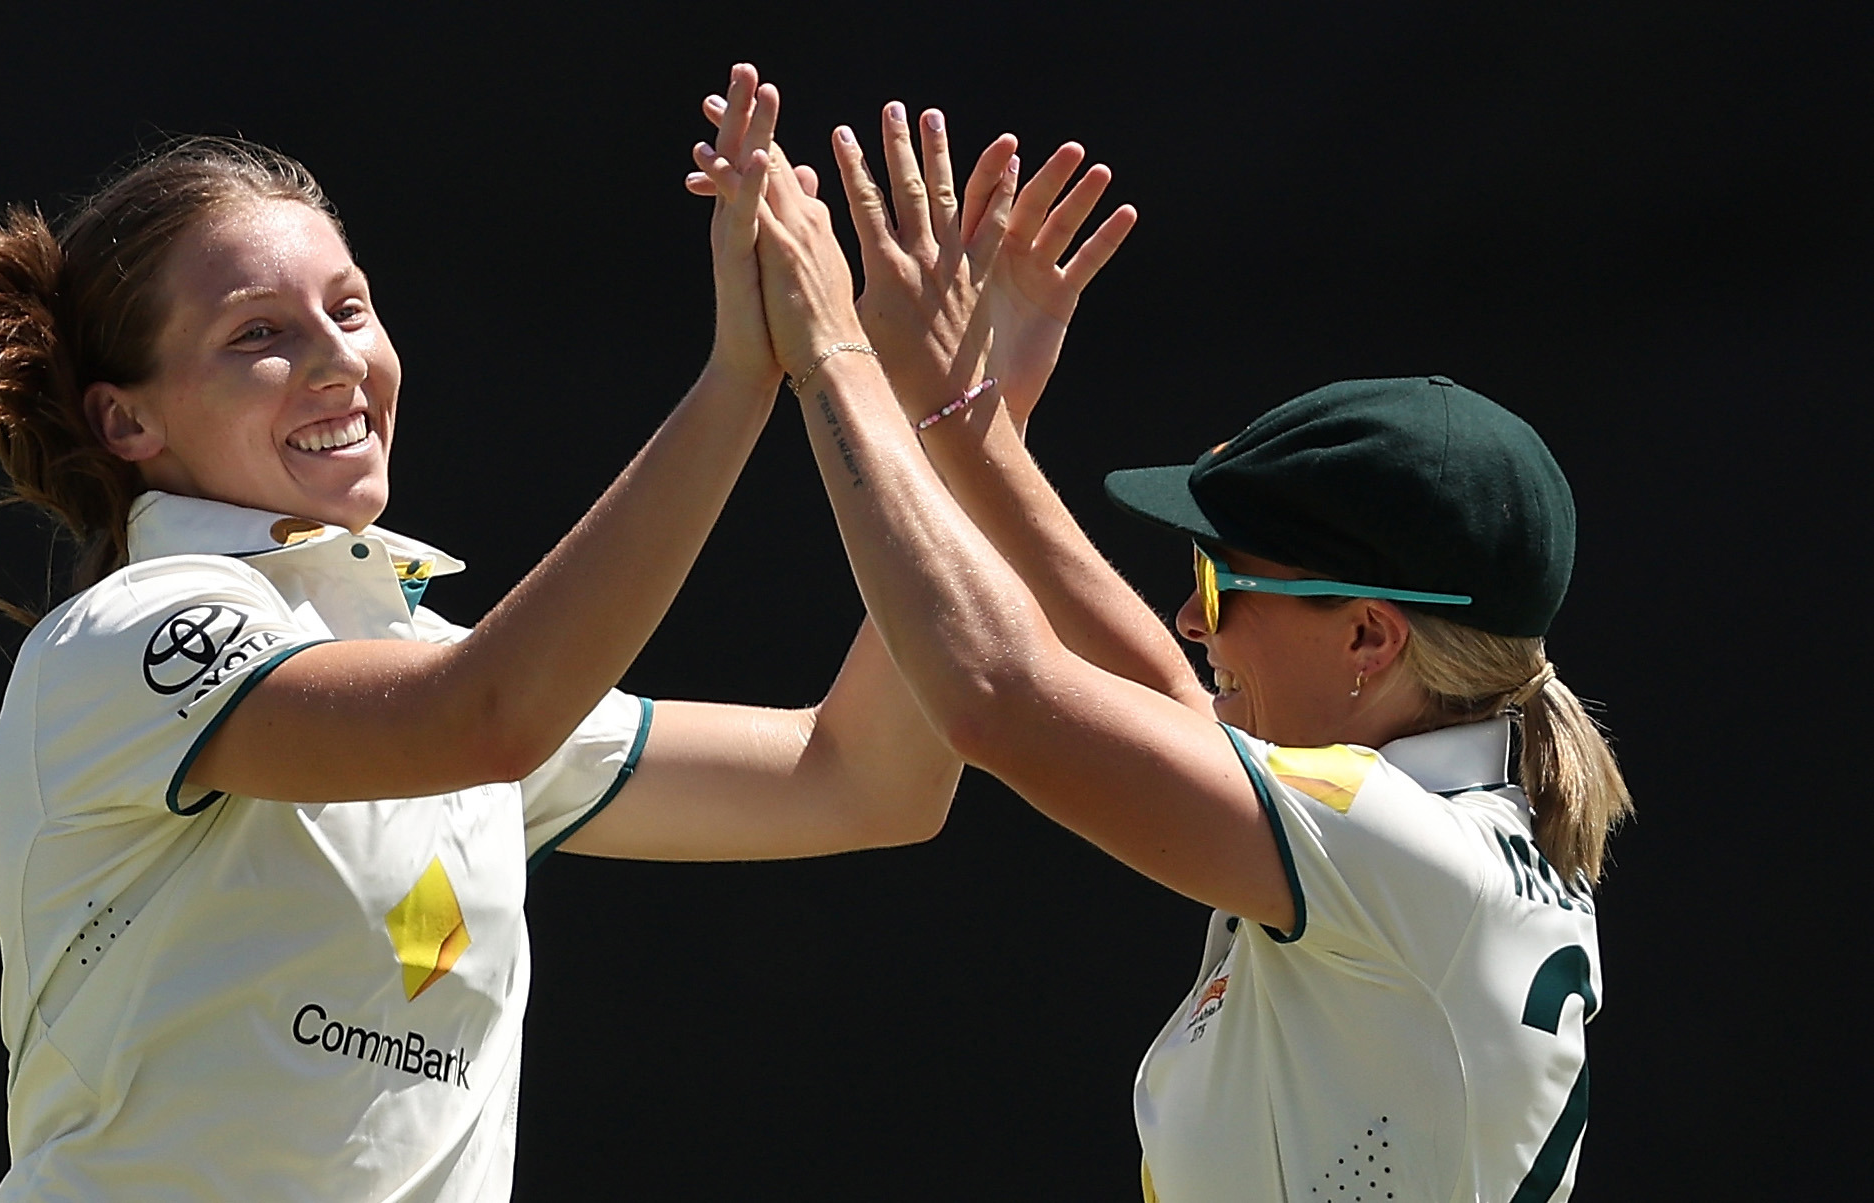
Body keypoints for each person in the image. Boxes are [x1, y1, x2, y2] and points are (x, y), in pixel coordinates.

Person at [0, 65, 960, 1202]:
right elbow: (485, 717)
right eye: (259, 335)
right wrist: (744, 375)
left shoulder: (427, 662)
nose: (340, 359)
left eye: (349, 310)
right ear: (125, 418)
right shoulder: (126, 635)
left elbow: (865, 778)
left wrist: (950, 425)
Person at [697, 77, 1632, 1201]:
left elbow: (998, 693)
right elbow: (1160, 706)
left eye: (1219, 582)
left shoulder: (1392, 844)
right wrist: (976, 424)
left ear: (1369, 639)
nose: (1191, 620)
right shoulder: (1433, 827)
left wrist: (838, 360)